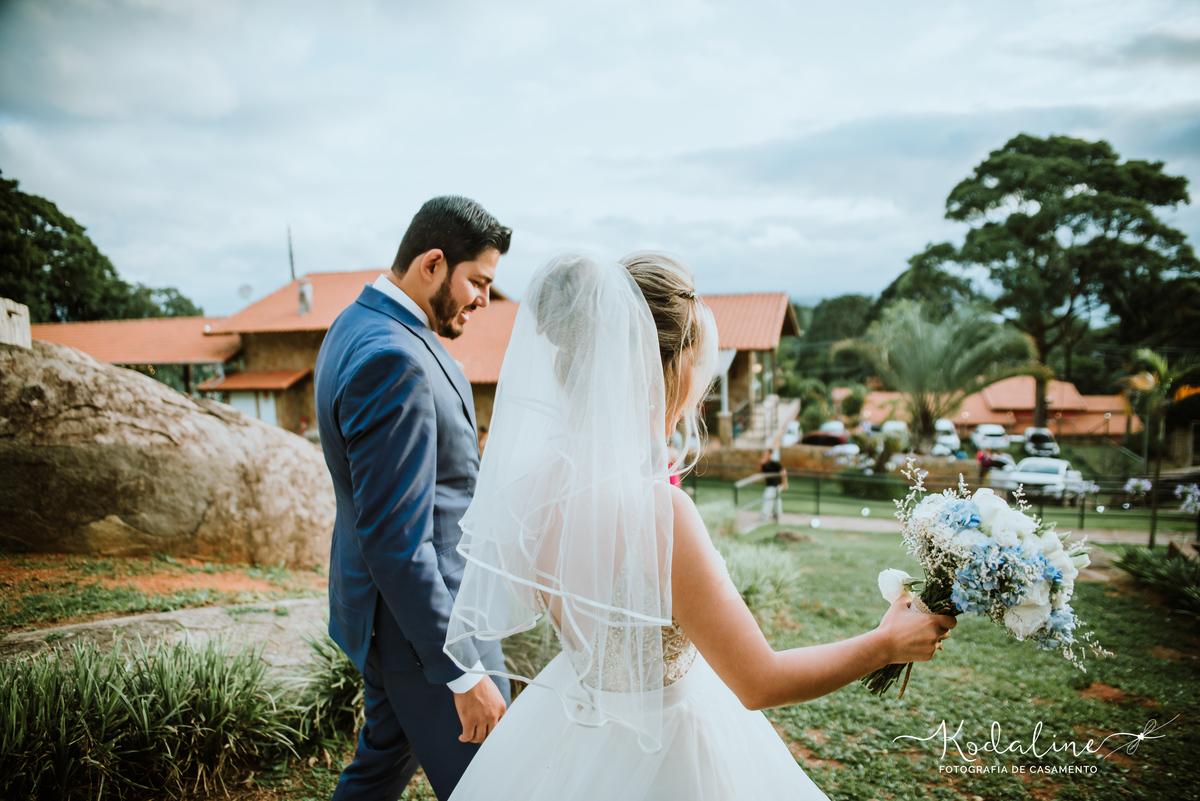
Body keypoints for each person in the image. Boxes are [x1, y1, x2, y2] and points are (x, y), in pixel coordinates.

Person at [443, 252, 955, 800]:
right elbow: (760, 681)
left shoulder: (531, 491)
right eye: (699, 359)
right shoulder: (660, 515)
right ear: (663, 368)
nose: (704, 381)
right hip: (668, 745)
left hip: (570, 727)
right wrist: (884, 644)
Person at [314, 196, 513, 801]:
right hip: (428, 629)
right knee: (499, 782)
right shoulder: (392, 359)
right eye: (477, 281)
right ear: (432, 264)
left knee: (378, 771)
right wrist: (462, 672)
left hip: (389, 621)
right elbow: (397, 543)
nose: (483, 299)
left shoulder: (358, 323)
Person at [758, 448, 787, 522]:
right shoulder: (765, 464)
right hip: (770, 485)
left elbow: (783, 472)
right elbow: (759, 470)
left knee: (768, 498)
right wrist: (763, 460)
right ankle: (777, 514)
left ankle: (765, 514)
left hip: (776, 485)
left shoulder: (775, 463)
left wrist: (784, 483)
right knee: (775, 499)